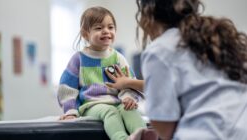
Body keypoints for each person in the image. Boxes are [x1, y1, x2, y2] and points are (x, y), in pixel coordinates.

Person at [107, 0, 247, 139]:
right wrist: (128, 83)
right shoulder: (217, 39)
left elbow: (165, 127)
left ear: (147, 15)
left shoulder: (160, 50)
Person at [57, 6, 158, 140]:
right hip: (91, 105)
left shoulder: (118, 58)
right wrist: (70, 111)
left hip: (117, 102)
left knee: (130, 110)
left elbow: (129, 82)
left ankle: (142, 134)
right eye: (99, 28)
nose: (106, 31)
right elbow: (67, 88)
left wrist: (128, 98)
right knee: (109, 111)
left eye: (110, 27)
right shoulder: (78, 59)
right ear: (85, 34)